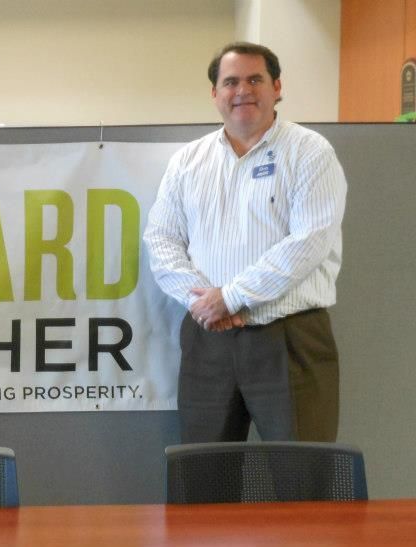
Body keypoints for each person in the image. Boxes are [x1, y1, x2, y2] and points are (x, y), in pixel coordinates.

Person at [143, 43, 347, 443]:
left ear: (277, 87)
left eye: (255, 79)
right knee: (202, 482)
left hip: (289, 339)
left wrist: (231, 297)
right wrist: (203, 302)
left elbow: (309, 242)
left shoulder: (310, 153)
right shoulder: (188, 161)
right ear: (215, 94)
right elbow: (161, 239)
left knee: (300, 479)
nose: (243, 90)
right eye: (230, 81)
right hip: (208, 342)